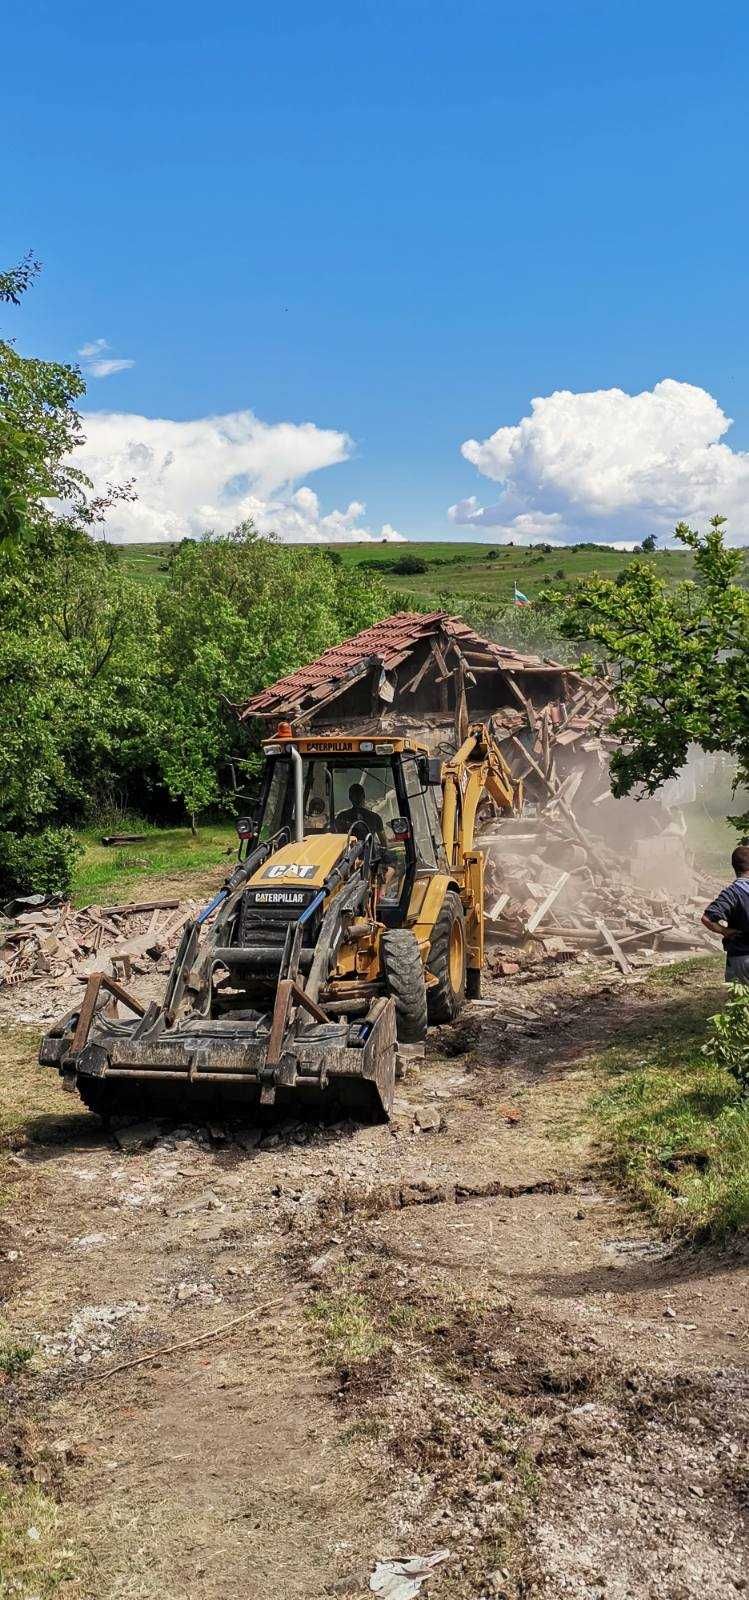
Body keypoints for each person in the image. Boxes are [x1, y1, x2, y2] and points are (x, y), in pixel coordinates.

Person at [701, 845, 749, 984]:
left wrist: (724, 931)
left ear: (734, 867)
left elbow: (707, 918)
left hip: (740, 959)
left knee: (739, 1003)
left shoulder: (731, 893)